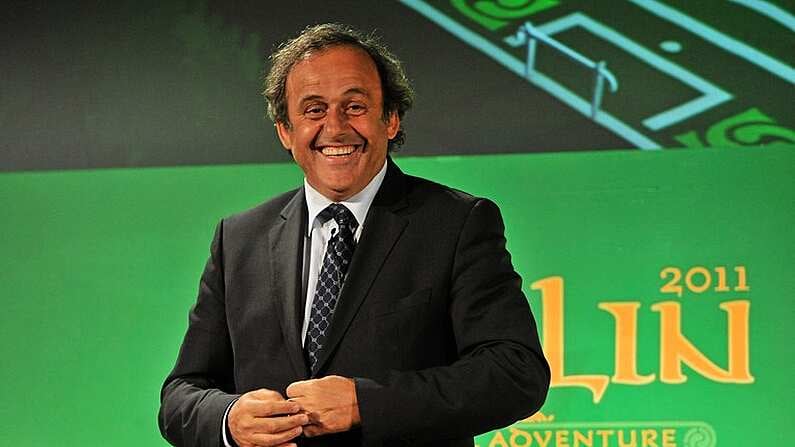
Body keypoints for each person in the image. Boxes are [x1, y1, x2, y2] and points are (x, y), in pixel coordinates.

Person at [159, 23, 550, 447]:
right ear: (285, 131)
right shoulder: (239, 239)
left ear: (391, 119)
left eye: (355, 106)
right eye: (313, 109)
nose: (336, 127)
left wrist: (365, 403)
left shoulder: (457, 223)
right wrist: (229, 419)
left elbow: (515, 372)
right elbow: (181, 395)